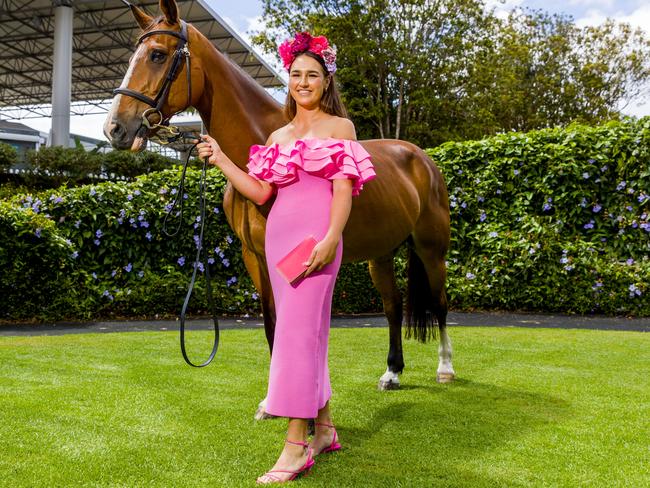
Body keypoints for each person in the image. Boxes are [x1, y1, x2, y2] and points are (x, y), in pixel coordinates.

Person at [195, 31, 376, 484]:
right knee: (306, 336)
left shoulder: (341, 129)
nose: (303, 82)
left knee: (296, 339)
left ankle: (296, 445)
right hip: (281, 240)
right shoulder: (277, 135)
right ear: (288, 81)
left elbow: (343, 191)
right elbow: (259, 191)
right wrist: (220, 158)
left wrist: (332, 237)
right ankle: (326, 429)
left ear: (326, 80)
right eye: (296, 75)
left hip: (316, 243)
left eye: (312, 75)